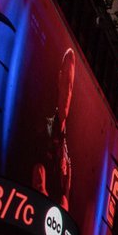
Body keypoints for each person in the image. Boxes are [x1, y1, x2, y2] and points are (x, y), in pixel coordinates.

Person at [33, 47, 75, 209]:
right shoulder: (45, 125)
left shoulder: (65, 145)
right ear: (59, 79)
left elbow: (66, 196)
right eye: (66, 82)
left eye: (71, 86)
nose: (68, 91)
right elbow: (38, 172)